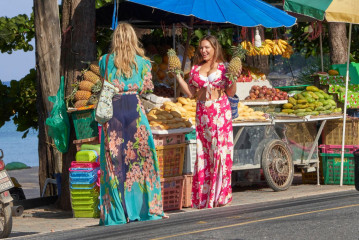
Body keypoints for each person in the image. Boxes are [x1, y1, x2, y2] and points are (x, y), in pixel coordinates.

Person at [98, 23, 166, 226]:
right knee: (144, 162)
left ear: (115, 39)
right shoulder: (144, 63)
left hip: (114, 114)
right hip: (136, 113)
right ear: (133, 39)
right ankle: (146, 209)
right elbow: (147, 87)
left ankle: (118, 214)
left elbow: (104, 85)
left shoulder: (105, 60)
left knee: (114, 164)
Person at [175, 35, 237, 209]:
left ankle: (220, 195)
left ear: (215, 48)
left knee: (220, 152)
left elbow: (230, 92)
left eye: (207, 47)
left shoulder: (225, 68)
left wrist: (234, 78)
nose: (203, 51)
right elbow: (190, 93)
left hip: (220, 112)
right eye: (201, 48)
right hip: (202, 113)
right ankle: (205, 196)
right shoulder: (195, 69)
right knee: (204, 153)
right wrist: (178, 77)